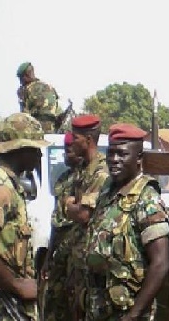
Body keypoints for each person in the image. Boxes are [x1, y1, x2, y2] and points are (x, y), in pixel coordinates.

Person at [84, 123, 169, 320]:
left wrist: (134, 314)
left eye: (122, 154)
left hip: (126, 312)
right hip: (98, 308)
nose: (114, 160)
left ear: (138, 158)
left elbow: (160, 263)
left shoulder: (146, 198)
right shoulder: (107, 191)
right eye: (111, 153)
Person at [0, 112, 50, 320]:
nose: (39, 156)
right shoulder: (0, 188)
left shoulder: (11, 185)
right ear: (21, 149)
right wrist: (15, 285)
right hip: (0, 303)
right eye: (36, 150)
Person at [64, 114, 109, 320]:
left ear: (88, 140)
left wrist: (67, 205)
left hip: (90, 261)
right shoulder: (84, 169)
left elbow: (82, 214)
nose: (71, 141)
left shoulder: (101, 172)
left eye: (75, 137)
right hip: (78, 257)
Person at [40, 131, 81, 321]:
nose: (66, 155)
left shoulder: (89, 180)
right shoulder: (63, 180)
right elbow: (56, 222)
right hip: (59, 255)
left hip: (76, 256)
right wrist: (48, 257)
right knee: (53, 304)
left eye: (69, 150)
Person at [16, 62, 62, 133]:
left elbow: (24, 115)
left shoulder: (25, 90)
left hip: (35, 129)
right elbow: (57, 108)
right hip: (52, 128)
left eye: (20, 78)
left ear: (25, 76)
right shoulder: (49, 87)